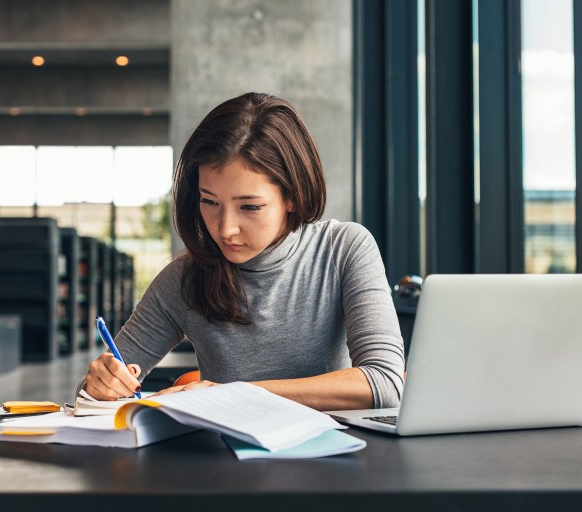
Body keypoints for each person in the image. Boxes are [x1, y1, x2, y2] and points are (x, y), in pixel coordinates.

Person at [80, 92, 405, 411]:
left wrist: (232, 394)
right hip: (227, 462)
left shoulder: (343, 249)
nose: (225, 229)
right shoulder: (183, 278)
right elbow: (89, 397)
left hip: (336, 457)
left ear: (292, 196)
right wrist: (100, 385)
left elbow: (385, 383)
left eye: (249, 206)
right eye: (209, 202)